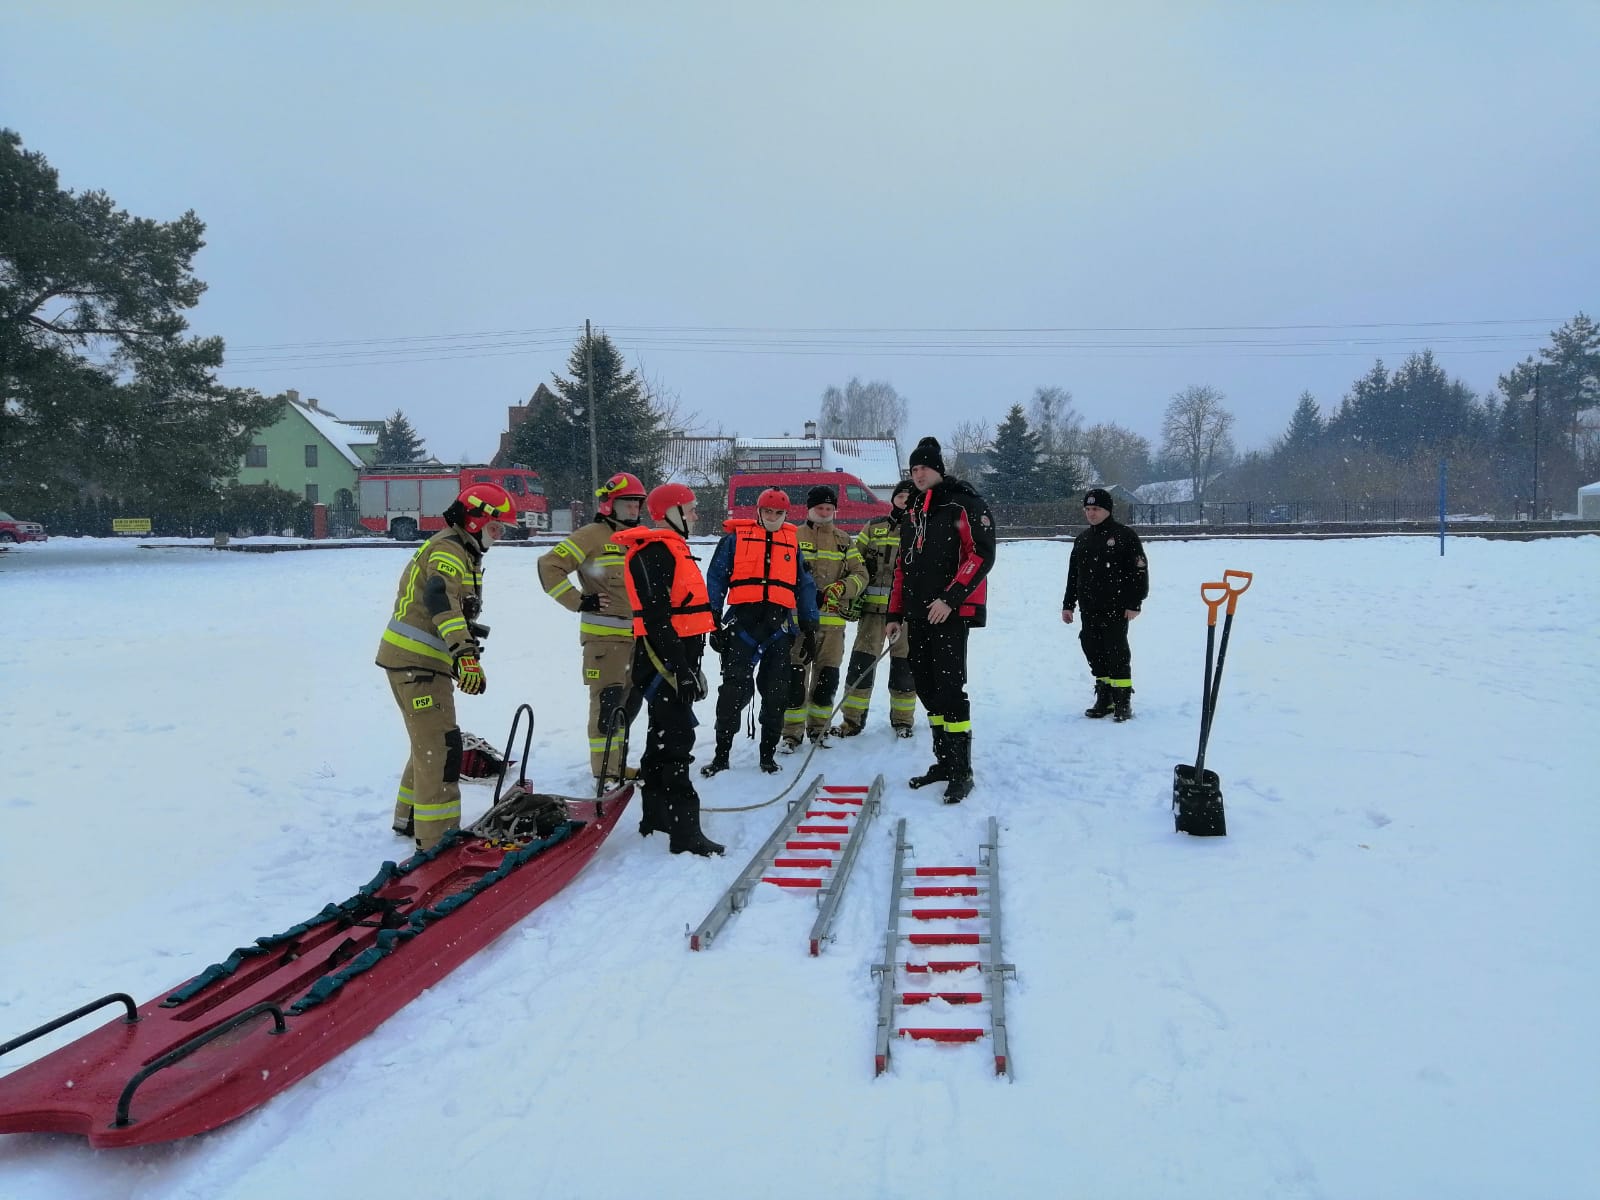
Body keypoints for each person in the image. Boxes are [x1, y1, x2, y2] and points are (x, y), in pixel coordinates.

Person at [375, 483, 514, 850]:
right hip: (417, 665)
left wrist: (462, 650)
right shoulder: (450, 551)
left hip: (413, 663)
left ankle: (410, 819)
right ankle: (438, 840)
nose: (499, 536)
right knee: (441, 749)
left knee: (427, 743)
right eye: (496, 527)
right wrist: (464, 653)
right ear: (474, 521)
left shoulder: (461, 551)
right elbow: (440, 600)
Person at [884, 437, 996, 805]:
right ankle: (944, 761)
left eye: (924, 468)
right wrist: (894, 612)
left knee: (950, 690)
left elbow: (981, 554)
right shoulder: (913, 510)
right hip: (917, 614)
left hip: (949, 613)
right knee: (927, 689)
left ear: (938, 469)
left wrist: (951, 598)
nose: (918, 474)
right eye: (914, 469)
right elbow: (903, 567)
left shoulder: (962, 503)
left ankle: (961, 769)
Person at [614, 482, 723, 856]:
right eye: (690, 509)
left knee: (661, 739)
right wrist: (679, 668)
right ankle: (685, 832)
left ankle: (656, 817)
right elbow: (658, 620)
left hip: (674, 662)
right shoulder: (654, 553)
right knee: (676, 743)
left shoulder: (673, 550)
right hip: (662, 663)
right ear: (671, 513)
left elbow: (683, 609)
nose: (695, 515)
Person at [536, 470, 646, 787]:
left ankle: (617, 764)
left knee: (628, 705)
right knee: (607, 705)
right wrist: (579, 601)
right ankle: (605, 772)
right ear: (610, 505)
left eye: (637, 504)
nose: (633, 510)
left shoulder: (638, 539)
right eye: (627, 504)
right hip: (604, 642)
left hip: (636, 640)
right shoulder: (592, 535)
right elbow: (549, 566)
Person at [701, 487, 820, 777]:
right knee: (732, 694)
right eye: (768, 511)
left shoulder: (792, 544)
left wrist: (809, 627)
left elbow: (804, 585)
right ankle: (721, 756)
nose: (773, 517)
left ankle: (767, 756)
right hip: (742, 627)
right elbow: (716, 576)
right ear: (758, 511)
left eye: (779, 513)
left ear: (786, 514)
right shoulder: (734, 540)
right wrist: (712, 618)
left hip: (778, 630)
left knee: (776, 694)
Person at [781, 484, 868, 749]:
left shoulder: (844, 540)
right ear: (809, 509)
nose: (825, 512)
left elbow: (861, 575)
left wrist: (843, 587)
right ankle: (791, 734)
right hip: (798, 625)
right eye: (820, 507)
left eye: (830, 508)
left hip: (833, 626)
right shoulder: (792, 536)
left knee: (827, 679)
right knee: (795, 680)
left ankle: (819, 729)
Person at [832, 478, 918, 738]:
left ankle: (903, 721)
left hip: (905, 615)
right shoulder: (874, 527)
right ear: (893, 499)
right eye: (900, 496)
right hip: (872, 613)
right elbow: (855, 563)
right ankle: (852, 720)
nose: (904, 501)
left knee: (904, 667)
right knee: (861, 665)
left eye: (910, 497)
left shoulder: (921, 528)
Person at [1062, 487, 1148, 722]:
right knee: (1092, 647)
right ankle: (1105, 696)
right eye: (1088, 509)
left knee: (1115, 650)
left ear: (1107, 510)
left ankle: (1122, 701)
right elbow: (1073, 575)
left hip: (1116, 606)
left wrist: (1135, 602)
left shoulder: (1124, 536)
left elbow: (1139, 572)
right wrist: (1068, 604)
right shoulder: (1082, 539)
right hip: (1089, 607)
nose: (1091, 513)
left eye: (1096, 509)